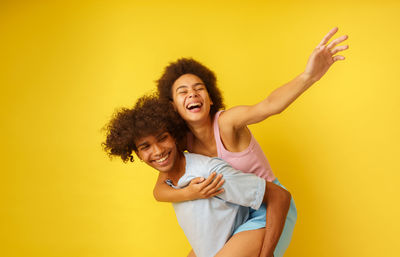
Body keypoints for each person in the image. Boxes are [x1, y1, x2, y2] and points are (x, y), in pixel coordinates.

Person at [155, 27, 349, 257]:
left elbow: (269, 106)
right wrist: (191, 193)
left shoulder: (227, 123)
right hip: (234, 215)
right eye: (183, 91)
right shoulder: (182, 143)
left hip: (270, 208)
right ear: (172, 106)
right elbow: (160, 190)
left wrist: (309, 76)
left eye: (199, 89)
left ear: (210, 98)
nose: (193, 94)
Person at [102, 95, 291, 257]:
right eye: (146, 147)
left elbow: (280, 196)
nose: (158, 151)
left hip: (258, 229)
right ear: (136, 153)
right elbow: (159, 193)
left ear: (175, 136)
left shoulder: (209, 173)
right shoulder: (169, 181)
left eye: (162, 138)